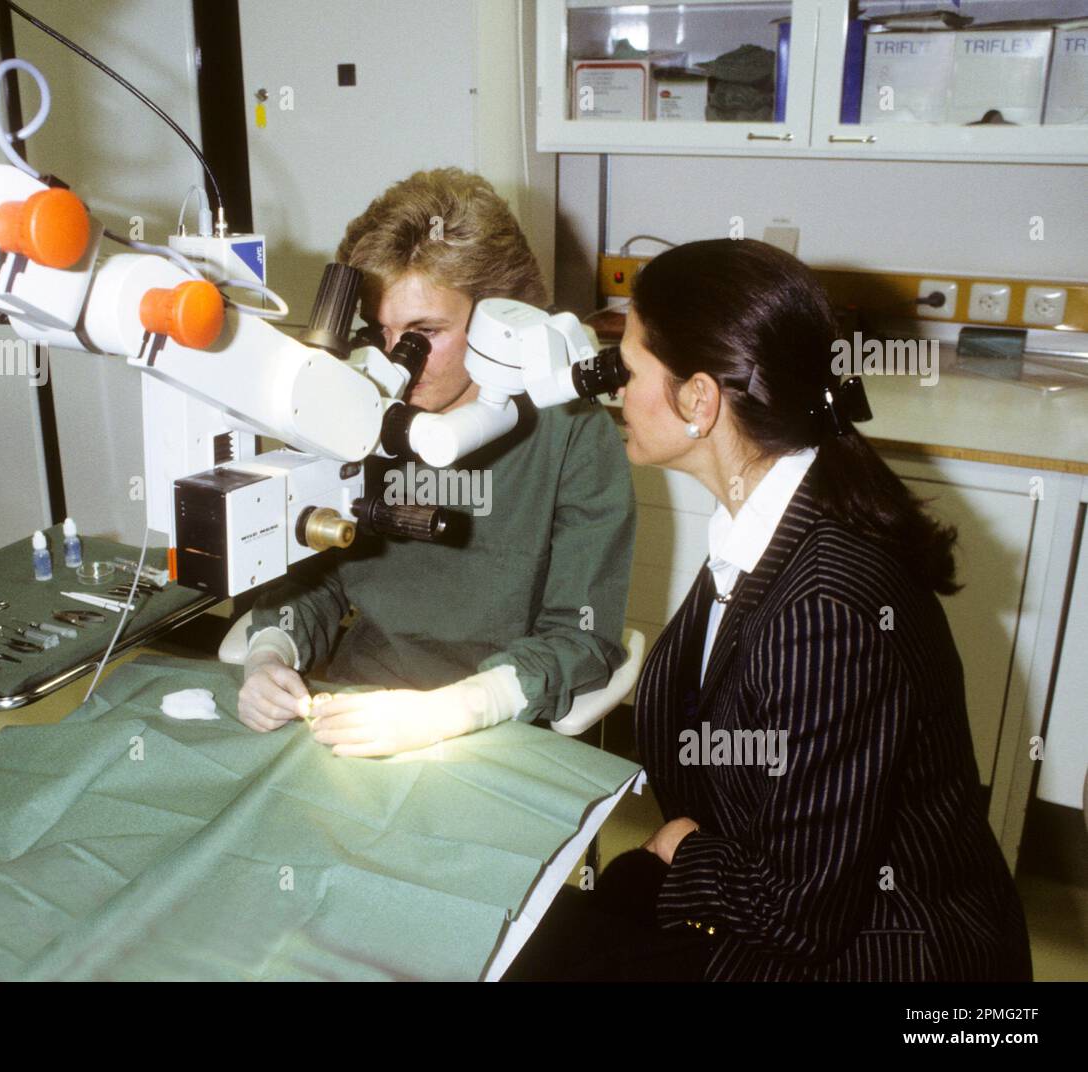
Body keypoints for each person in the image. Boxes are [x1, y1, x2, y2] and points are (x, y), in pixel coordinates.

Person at [509, 238, 1031, 982]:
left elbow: (796, 910)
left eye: (625, 370)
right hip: (777, 884)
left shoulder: (825, 604)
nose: (611, 390)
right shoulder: (774, 517)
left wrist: (685, 849)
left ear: (698, 399)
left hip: (883, 954)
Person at [234, 168, 636, 757]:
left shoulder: (573, 433)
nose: (400, 363)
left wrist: (456, 709)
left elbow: (581, 637)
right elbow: (312, 582)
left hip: (505, 719)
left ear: (505, 322)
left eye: (425, 332)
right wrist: (272, 650)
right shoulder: (359, 414)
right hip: (355, 703)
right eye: (382, 332)